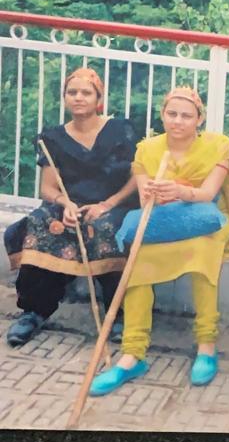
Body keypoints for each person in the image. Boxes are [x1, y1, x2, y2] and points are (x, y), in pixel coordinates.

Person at [88, 86, 229, 396]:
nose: (178, 121)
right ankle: (132, 355)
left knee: (203, 253)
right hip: (163, 220)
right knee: (139, 258)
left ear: (199, 119)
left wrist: (181, 191)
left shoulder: (219, 146)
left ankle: (206, 346)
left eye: (186, 116)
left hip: (205, 219)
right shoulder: (147, 149)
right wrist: (152, 195)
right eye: (172, 114)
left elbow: (207, 194)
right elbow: (145, 199)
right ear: (162, 115)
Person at [4, 67, 137, 348]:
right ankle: (34, 311)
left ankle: (119, 314)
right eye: (72, 92)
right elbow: (48, 188)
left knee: (104, 228)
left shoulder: (120, 130)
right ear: (64, 98)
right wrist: (65, 204)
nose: (78, 97)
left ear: (99, 99)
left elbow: (136, 179)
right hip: (71, 204)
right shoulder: (52, 138)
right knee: (40, 222)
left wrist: (107, 204)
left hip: (113, 205)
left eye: (86, 92)